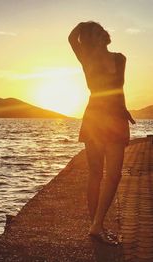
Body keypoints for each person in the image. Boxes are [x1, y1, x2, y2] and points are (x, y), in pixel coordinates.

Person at [68, 21, 135, 245]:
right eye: (96, 31)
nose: (102, 31)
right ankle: (96, 225)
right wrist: (82, 24)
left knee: (114, 175)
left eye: (101, 28)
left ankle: (97, 224)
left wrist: (124, 110)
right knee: (96, 173)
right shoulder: (86, 59)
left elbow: (119, 88)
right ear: (90, 37)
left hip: (116, 118)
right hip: (95, 118)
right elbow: (70, 38)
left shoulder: (120, 58)